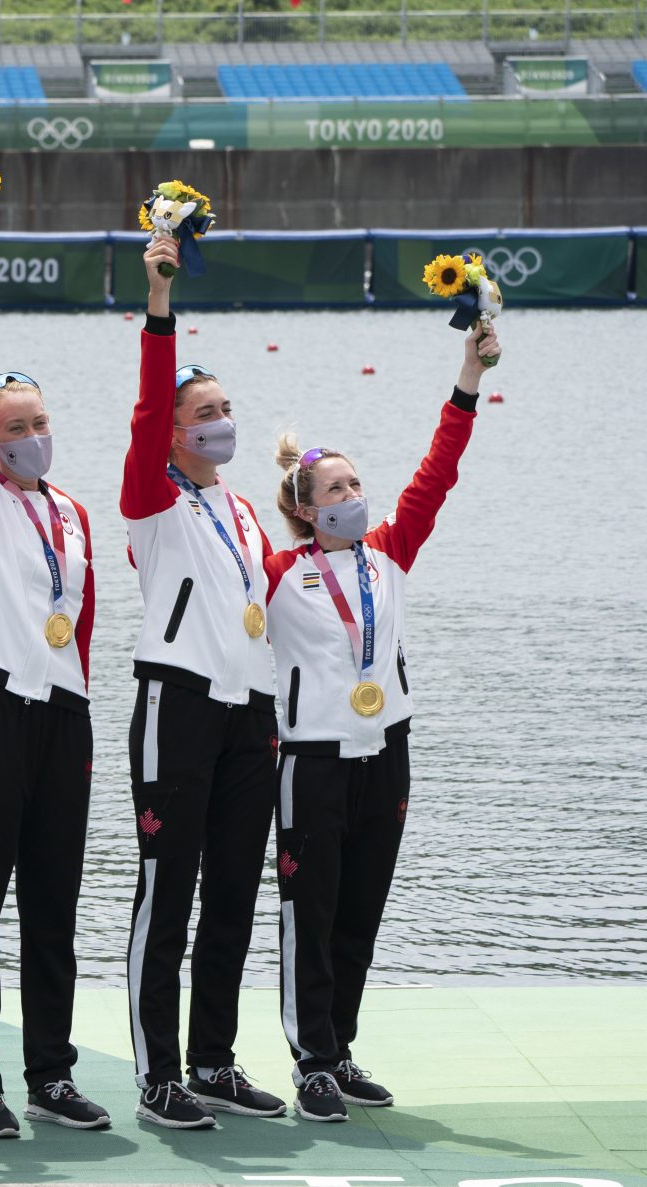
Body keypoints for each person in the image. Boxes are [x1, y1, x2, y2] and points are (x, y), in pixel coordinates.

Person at [264, 324, 497, 1123]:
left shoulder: (391, 552)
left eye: (357, 482)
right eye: (337, 488)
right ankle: (310, 1061)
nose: (353, 494)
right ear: (306, 508)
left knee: (360, 910)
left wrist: (468, 376)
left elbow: (439, 471)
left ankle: (340, 1048)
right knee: (311, 911)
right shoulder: (276, 572)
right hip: (312, 760)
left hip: (386, 751)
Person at [0, 263, 110, 1138]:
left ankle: (51, 1074)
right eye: (15, 427)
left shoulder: (72, 511)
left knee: (52, 901)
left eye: (41, 422)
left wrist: (77, 700)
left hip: (61, 711)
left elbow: (82, 619)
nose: (33, 436)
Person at [119, 237, 286, 1129]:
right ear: (175, 431)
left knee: (232, 892)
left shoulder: (243, 506)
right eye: (204, 412)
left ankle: (214, 1061)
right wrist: (160, 305)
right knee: (168, 891)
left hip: (249, 711)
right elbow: (149, 406)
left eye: (226, 407)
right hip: (176, 702)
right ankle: (158, 1074)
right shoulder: (150, 494)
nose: (221, 421)